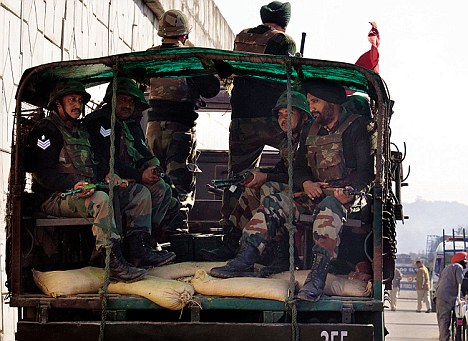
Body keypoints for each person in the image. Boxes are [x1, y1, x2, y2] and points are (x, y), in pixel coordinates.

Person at [211, 79, 374, 298]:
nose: (312, 107)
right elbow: (297, 170)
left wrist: (349, 192)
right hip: (315, 193)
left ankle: (316, 279)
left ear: (332, 102)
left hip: (349, 199)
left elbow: (366, 175)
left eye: (315, 102)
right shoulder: (312, 130)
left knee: (328, 210)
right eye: (309, 102)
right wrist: (306, 183)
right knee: (275, 201)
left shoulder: (356, 127)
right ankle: (244, 259)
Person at [26, 80, 172, 283]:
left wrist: (108, 176)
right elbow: (43, 175)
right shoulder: (47, 131)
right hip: (55, 196)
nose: (77, 105)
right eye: (71, 100)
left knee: (139, 193)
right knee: (101, 199)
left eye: (79, 100)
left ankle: (138, 249)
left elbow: (99, 162)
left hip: (86, 189)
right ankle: (111, 263)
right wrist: (72, 186)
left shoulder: (81, 130)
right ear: (58, 104)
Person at [199, 90, 312, 269]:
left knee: (268, 187)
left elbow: (302, 175)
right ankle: (238, 244)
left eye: (289, 113)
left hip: (308, 193)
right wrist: (256, 174)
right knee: (252, 187)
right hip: (295, 189)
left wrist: (266, 177)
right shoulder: (289, 140)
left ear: (304, 115)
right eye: (280, 115)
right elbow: (283, 169)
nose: (283, 119)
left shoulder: (310, 138)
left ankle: (281, 252)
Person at [220, 0, 297, 249]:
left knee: (237, 178)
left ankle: (230, 237)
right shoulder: (284, 42)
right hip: (275, 118)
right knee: (295, 166)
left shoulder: (242, 37)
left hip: (242, 118)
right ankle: (279, 238)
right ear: (284, 21)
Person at [85, 78, 183, 251]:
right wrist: (140, 176)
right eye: (123, 100)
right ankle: (134, 246)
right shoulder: (99, 122)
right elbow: (106, 159)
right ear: (111, 98)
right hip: (106, 180)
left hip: (127, 178)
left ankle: (145, 239)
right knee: (142, 192)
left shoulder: (130, 125)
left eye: (131, 102)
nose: (127, 105)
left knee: (163, 189)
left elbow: (144, 155)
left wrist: (159, 175)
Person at [146, 9, 220, 229]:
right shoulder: (190, 58)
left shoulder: (149, 56)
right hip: (180, 130)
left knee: (155, 179)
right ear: (184, 35)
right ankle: (178, 233)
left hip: (152, 130)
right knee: (181, 181)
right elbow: (211, 89)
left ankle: (154, 231)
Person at [435, 252, 466, 341]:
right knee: (444, 321)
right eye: (465, 262)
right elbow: (461, 282)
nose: (466, 264)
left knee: (442, 321)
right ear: (461, 261)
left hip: (440, 296)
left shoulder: (448, 267)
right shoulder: (458, 267)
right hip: (446, 298)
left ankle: (443, 338)